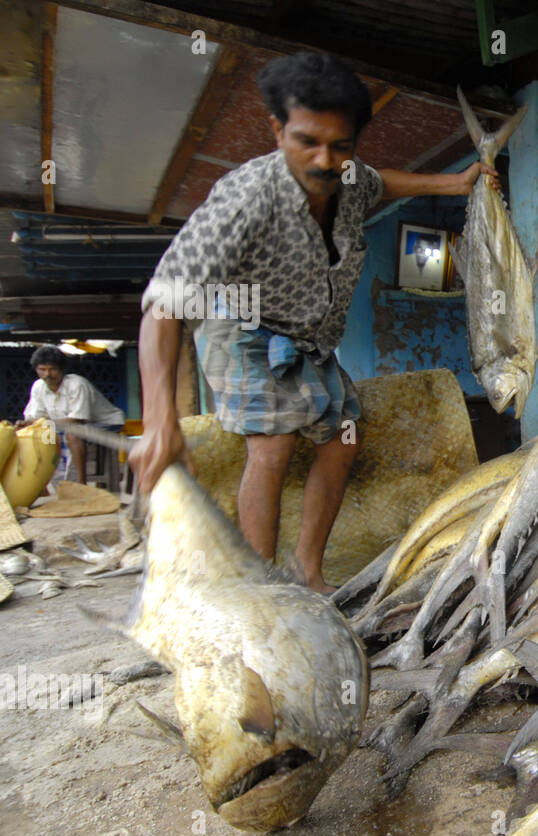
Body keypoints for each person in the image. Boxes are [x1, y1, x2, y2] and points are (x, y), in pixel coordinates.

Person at [129, 52, 500, 593]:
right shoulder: (245, 199)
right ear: (278, 130)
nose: (325, 160)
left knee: (343, 438)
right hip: (243, 328)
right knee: (274, 444)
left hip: (309, 337)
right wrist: (160, 419)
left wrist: (452, 184)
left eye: (340, 144)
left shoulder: (348, 177)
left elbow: (381, 185)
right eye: (308, 142)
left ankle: (308, 571)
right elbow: (164, 304)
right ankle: (264, 592)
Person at [19, 345, 126, 485]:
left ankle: (81, 483)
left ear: (62, 369)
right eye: (42, 370)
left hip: (107, 422)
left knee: (73, 434)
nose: (47, 375)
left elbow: (77, 420)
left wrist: (45, 423)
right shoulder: (38, 387)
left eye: (52, 369)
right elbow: (37, 417)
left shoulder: (77, 384)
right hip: (68, 425)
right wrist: (27, 424)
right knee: (43, 435)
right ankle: (43, 484)